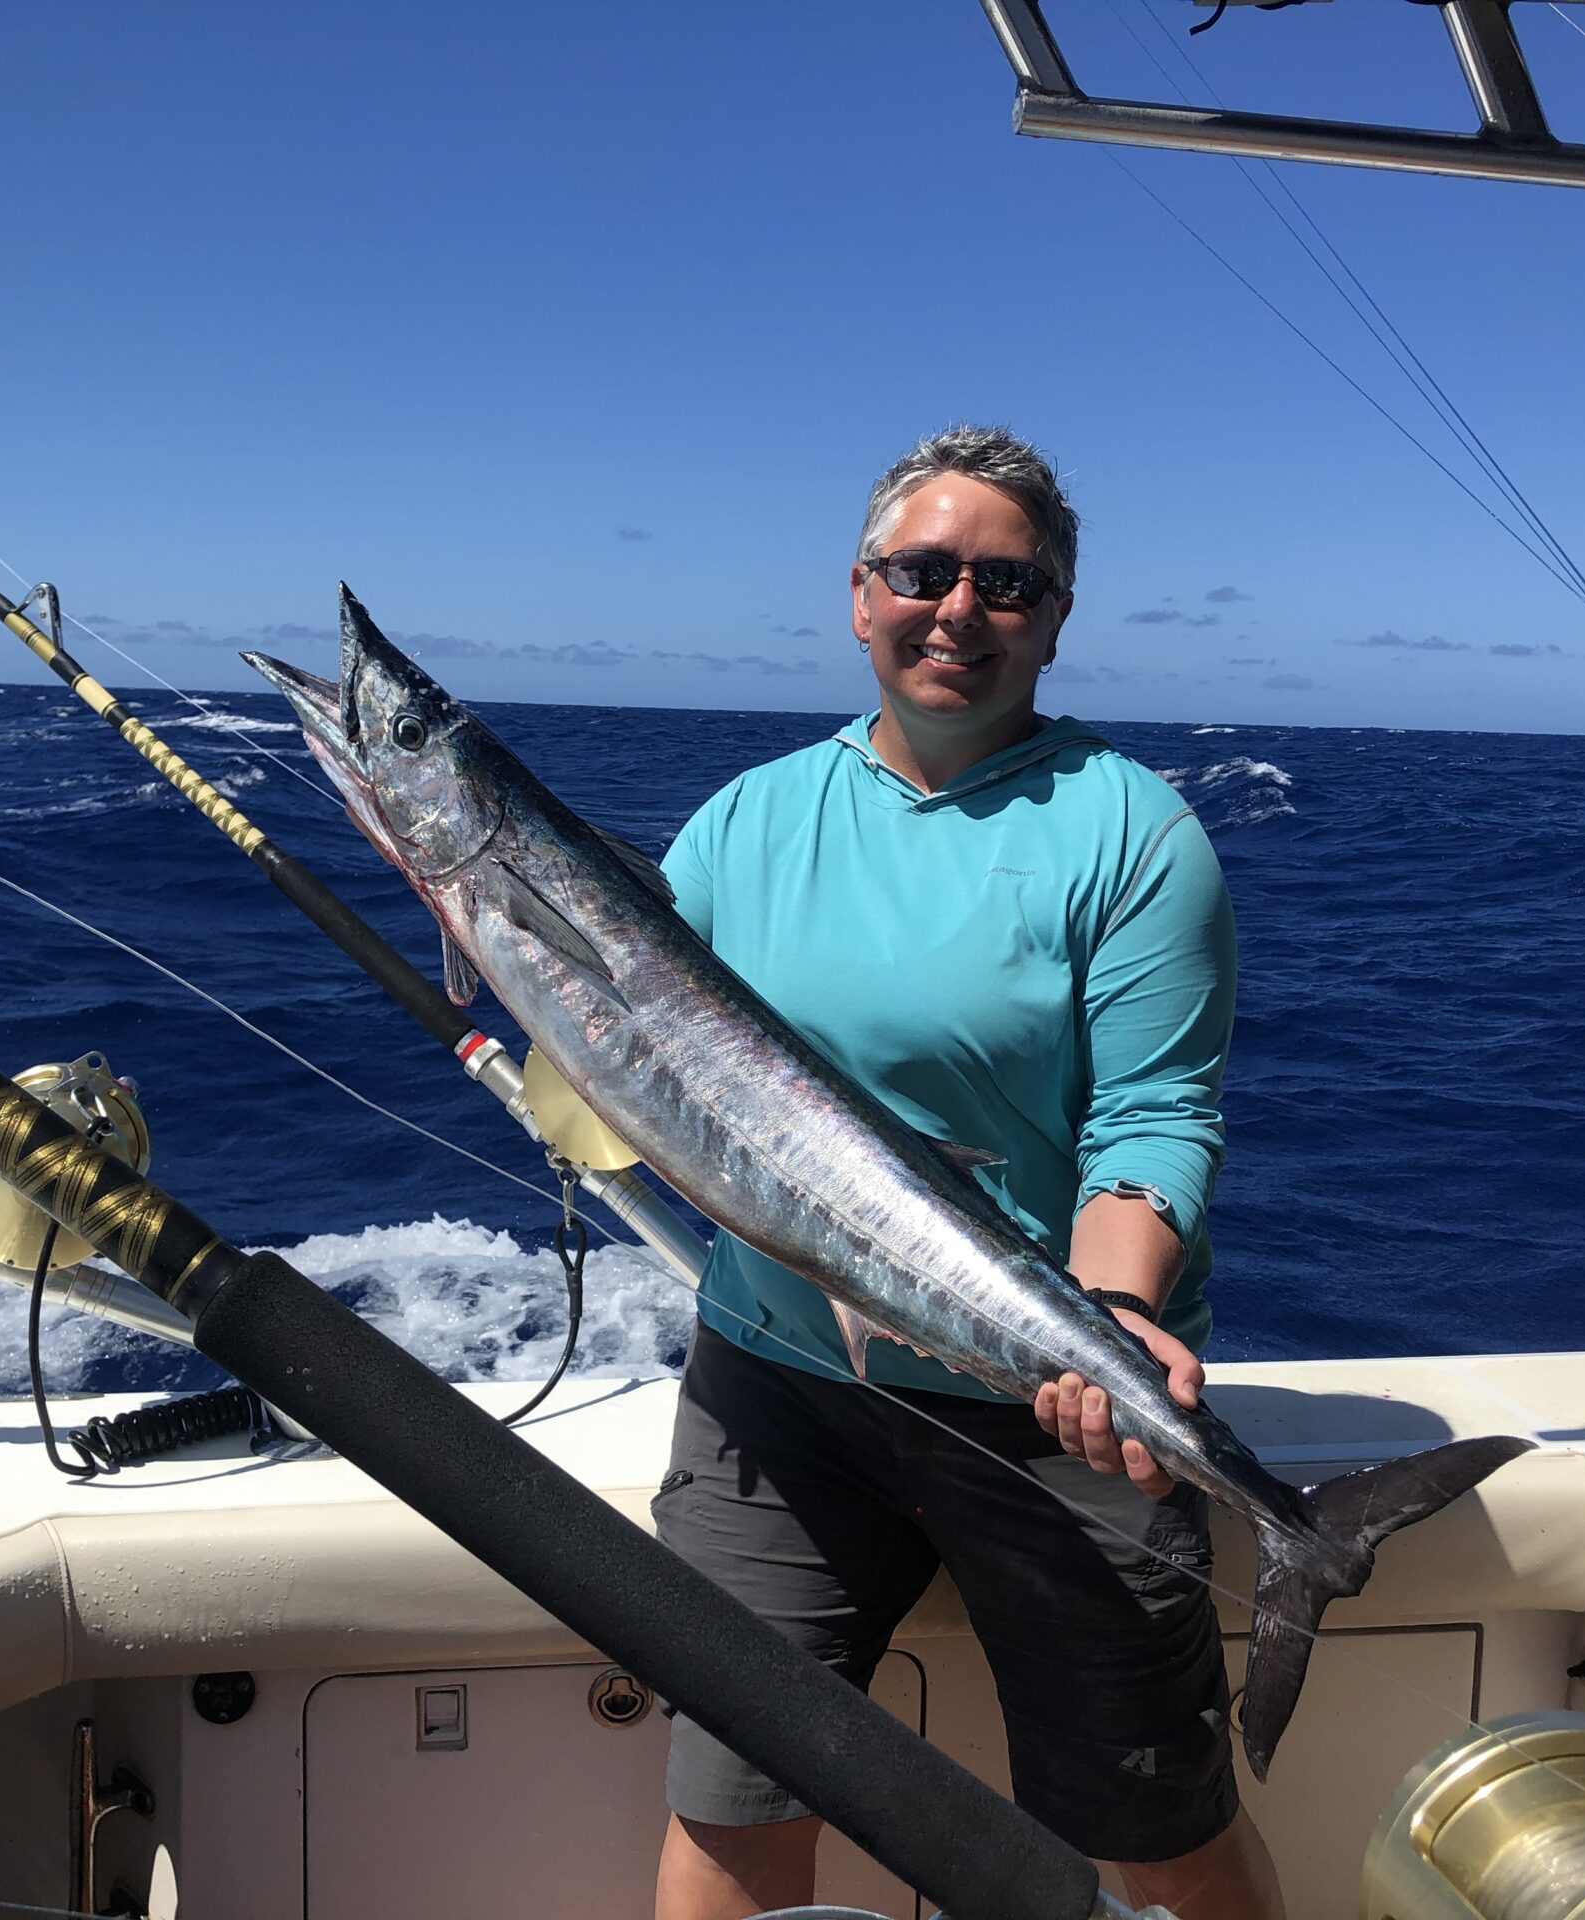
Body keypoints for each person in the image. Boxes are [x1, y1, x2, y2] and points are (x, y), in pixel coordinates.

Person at [649, 426, 1284, 1920]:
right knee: (732, 1807)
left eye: (1008, 584)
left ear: (1057, 617)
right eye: (925, 572)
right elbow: (623, 1040)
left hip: (1055, 1417)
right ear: (860, 595)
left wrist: (1110, 1320)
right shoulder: (743, 824)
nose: (959, 609)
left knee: (1164, 1836)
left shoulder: (1134, 832)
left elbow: (1155, 1115)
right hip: (782, 1389)